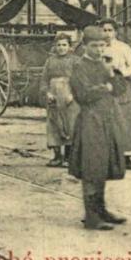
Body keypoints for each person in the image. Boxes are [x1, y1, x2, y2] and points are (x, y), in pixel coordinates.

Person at [68, 25, 127, 230]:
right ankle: (91, 216)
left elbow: (120, 90)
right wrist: (105, 87)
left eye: (102, 45)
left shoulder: (105, 64)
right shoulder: (79, 66)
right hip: (90, 121)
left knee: (104, 165)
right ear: (85, 46)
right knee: (91, 166)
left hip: (107, 119)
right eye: (94, 46)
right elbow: (82, 94)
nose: (99, 50)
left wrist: (114, 74)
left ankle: (101, 209)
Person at [100, 19, 131, 169]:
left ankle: (126, 156)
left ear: (115, 32)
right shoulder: (97, 48)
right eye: (104, 30)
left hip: (121, 86)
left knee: (124, 120)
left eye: (110, 30)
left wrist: (122, 72)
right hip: (103, 87)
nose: (107, 33)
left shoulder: (123, 48)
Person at [41, 32, 80, 166]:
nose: (61, 48)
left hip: (69, 94)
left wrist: (73, 94)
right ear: (55, 46)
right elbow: (44, 79)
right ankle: (57, 156)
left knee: (70, 124)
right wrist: (47, 93)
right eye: (58, 45)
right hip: (54, 94)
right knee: (54, 123)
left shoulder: (76, 61)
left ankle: (69, 157)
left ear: (70, 46)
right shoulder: (50, 61)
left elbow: (80, 80)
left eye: (64, 45)